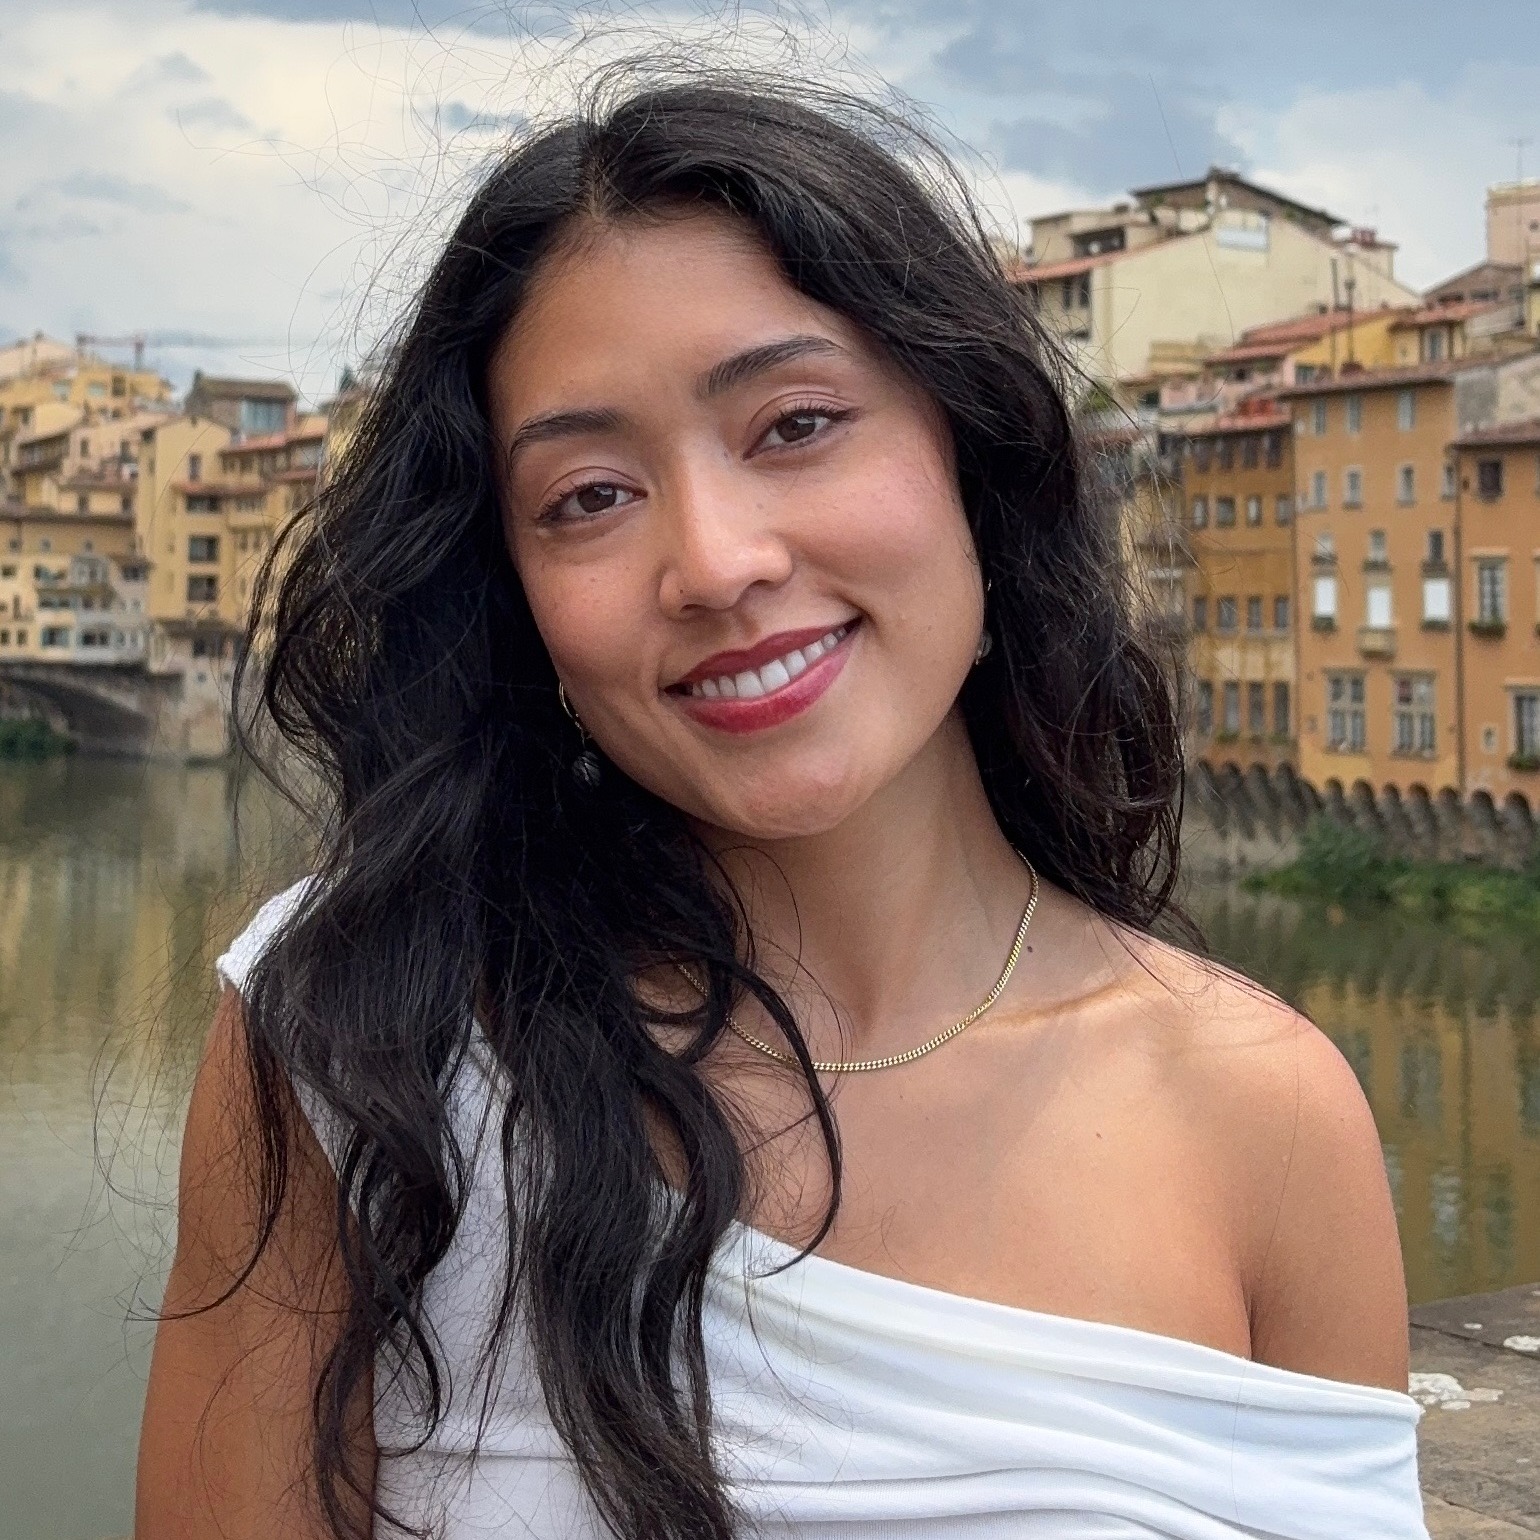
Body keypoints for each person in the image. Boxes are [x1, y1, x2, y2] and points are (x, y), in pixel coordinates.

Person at [136, 71, 1427, 1540]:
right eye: (589, 497)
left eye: (796, 423)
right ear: (515, 599)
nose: (713, 561)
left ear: (972, 455)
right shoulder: (364, 1045)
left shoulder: (1264, 1112)